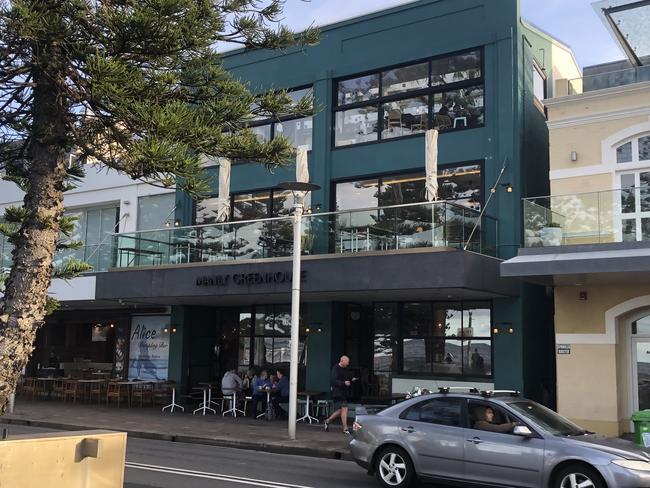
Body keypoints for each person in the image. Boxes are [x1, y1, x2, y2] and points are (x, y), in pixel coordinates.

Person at [324, 355, 357, 434]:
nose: (348, 364)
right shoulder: (335, 368)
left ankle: (327, 421)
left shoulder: (345, 369)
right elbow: (333, 381)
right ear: (342, 361)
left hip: (343, 392)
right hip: (337, 392)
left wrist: (351, 380)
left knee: (340, 410)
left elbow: (346, 378)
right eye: (347, 362)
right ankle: (345, 428)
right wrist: (344, 383)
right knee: (345, 408)